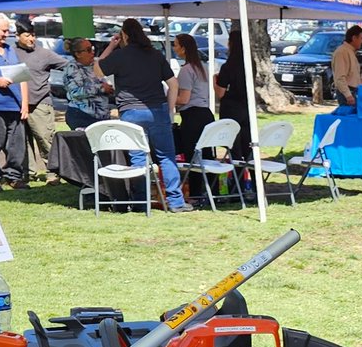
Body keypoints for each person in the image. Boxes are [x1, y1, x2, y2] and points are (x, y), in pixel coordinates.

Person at [94, 18, 190, 212]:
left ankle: (140, 202)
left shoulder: (120, 56)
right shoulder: (155, 55)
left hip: (130, 112)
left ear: (125, 35)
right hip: (157, 110)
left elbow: (97, 71)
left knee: (138, 158)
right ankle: (176, 202)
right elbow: (173, 84)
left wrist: (112, 46)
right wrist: (170, 109)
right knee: (166, 157)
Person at [14, 19, 68, 185]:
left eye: (33, 35)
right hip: (17, 104)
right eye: (28, 35)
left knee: (46, 140)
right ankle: (27, 173)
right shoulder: (11, 53)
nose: (32, 39)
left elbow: (68, 65)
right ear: (17, 36)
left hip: (40, 104)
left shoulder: (44, 53)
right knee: (22, 142)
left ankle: (53, 174)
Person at [171, 33, 214, 162]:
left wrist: (170, 98)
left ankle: (195, 182)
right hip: (206, 114)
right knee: (207, 156)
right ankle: (211, 182)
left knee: (193, 158)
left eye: (176, 45)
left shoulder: (186, 70)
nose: (174, 48)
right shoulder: (203, 67)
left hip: (192, 117)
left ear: (183, 48)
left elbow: (184, 99)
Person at [0, 15, 27, 191]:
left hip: (14, 105)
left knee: (17, 145)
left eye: (8, 30)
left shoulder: (10, 50)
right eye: (3, 30)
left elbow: (22, 77)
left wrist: (24, 103)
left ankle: (14, 176)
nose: (6, 34)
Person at [214, 31, 252, 164]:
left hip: (231, 108)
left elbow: (220, 92)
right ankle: (253, 181)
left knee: (234, 148)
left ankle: (237, 181)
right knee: (248, 147)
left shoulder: (227, 66)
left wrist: (215, 80)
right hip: (247, 107)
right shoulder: (250, 64)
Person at [62, 37, 112, 129]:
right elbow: (75, 92)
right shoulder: (72, 68)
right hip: (82, 116)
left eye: (93, 48)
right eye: (88, 50)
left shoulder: (94, 65)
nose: (92, 52)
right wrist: (101, 88)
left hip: (101, 117)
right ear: (78, 54)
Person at [332, 25, 362, 106]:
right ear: (354, 38)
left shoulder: (350, 52)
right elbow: (340, 77)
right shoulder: (341, 52)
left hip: (353, 91)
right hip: (347, 93)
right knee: (348, 117)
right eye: (361, 38)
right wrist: (348, 95)